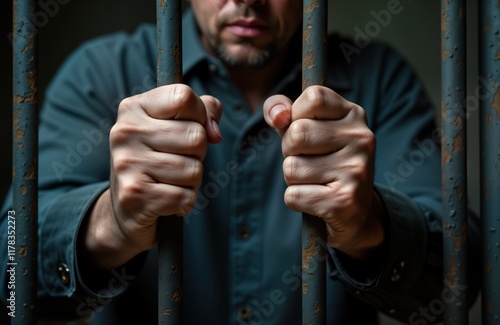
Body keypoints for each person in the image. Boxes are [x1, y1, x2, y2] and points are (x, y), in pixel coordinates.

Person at [1, 0, 480, 324]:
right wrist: (110, 224)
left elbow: (461, 281)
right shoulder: (102, 72)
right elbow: (8, 275)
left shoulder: (380, 79)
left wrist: (368, 224)